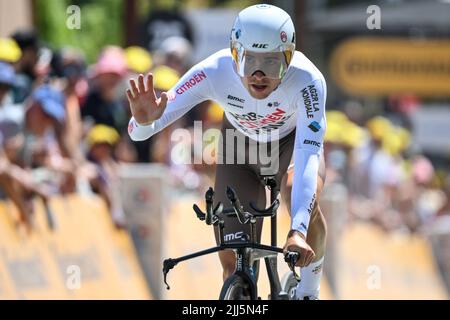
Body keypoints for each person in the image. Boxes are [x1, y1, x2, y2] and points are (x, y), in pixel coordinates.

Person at [127, 4, 327, 300]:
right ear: (235, 54)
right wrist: (144, 123)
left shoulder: (308, 80)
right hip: (239, 150)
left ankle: (308, 292)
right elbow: (141, 128)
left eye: (272, 63)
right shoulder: (215, 70)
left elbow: (309, 157)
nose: (258, 75)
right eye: (249, 61)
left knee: (296, 195)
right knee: (233, 262)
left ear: (290, 57)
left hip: (290, 146)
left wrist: (297, 229)